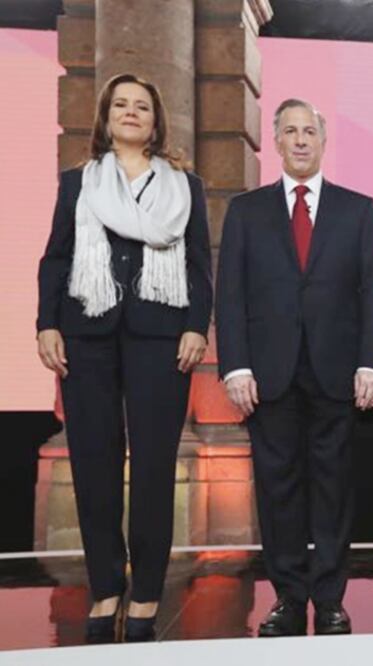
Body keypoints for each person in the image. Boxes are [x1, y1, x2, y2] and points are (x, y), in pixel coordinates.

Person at [36, 73, 212, 643]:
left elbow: (198, 269)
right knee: (93, 464)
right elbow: (56, 258)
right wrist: (47, 324)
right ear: (106, 119)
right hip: (87, 333)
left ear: (156, 121)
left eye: (142, 106)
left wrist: (196, 327)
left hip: (162, 338)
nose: (131, 113)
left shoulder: (186, 188)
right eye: (121, 106)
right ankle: (106, 585)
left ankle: (147, 592)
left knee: (157, 466)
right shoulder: (77, 185)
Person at [215, 98, 373, 637]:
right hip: (268, 375)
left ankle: (331, 598)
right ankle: (290, 597)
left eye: (308, 131)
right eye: (289, 131)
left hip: (337, 371)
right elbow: (231, 295)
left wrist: (372, 361)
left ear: (322, 140)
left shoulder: (358, 208)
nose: (299, 140)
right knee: (278, 488)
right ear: (276, 140)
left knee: (334, 487)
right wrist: (235, 367)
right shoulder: (246, 211)